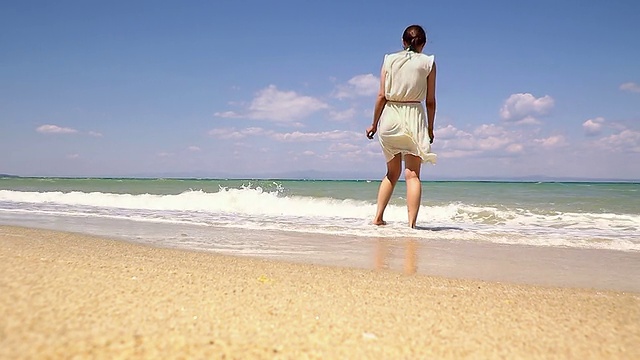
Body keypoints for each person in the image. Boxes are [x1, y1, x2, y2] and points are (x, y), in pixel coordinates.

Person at [366, 24, 437, 228]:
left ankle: (378, 217)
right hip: (414, 116)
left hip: (390, 116)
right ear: (422, 44)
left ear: (403, 42)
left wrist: (373, 124)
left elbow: (381, 96)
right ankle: (411, 225)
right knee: (412, 174)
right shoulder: (428, 62)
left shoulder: (389, 59)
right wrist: (430, 128)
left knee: (391, 172)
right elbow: (430, 101)